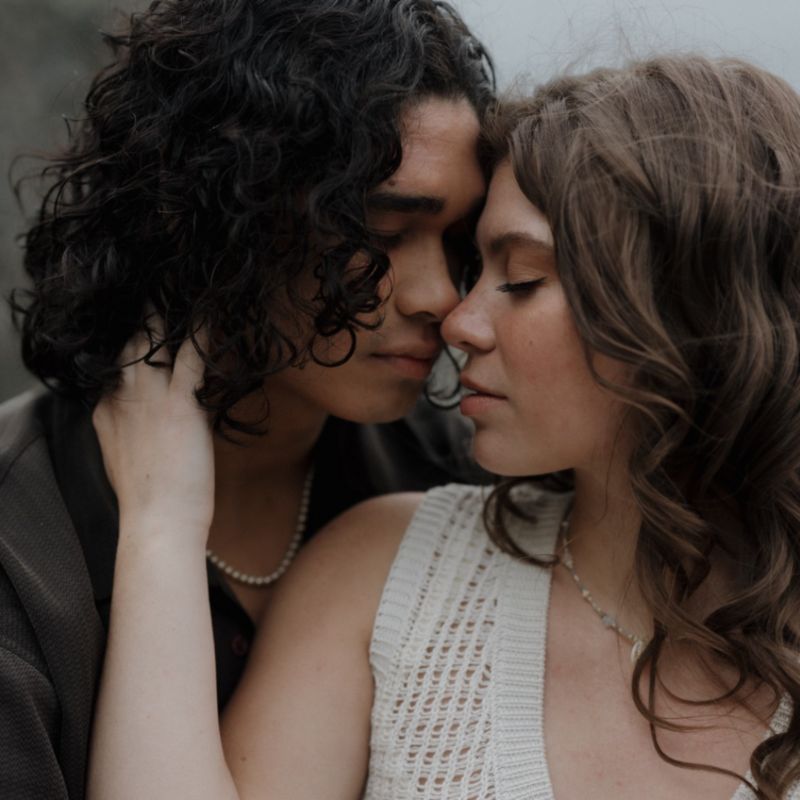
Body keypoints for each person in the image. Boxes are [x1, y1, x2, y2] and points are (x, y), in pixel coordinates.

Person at [90, 54, 800, 799]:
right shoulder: (389, 578)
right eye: (475, 271)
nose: (457, 321)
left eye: (520, 278)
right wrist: (163, 522)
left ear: (693, 312)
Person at [0, 1, 495, 797]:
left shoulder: (459, 484)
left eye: (461, 243)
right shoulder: (22, 543)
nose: (442, 296)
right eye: (382, 232)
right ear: (223, 212)